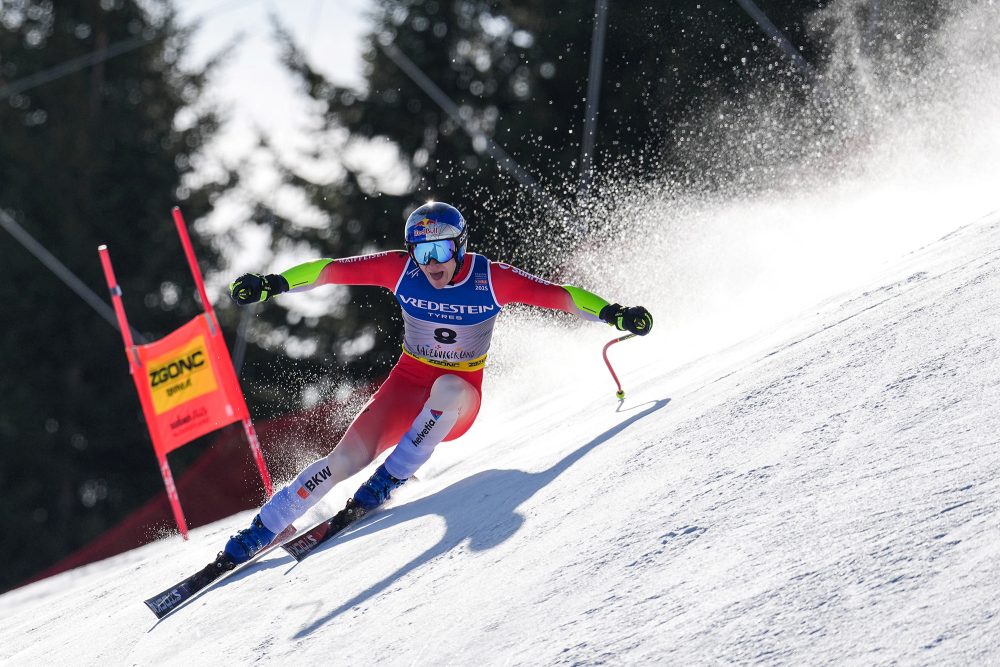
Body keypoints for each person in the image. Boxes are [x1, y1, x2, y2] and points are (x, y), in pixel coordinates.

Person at [221, 201, 653, 564]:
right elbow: (330, 272)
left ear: (460, 247)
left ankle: (391, 477)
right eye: (421, 254)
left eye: (441, 251)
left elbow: (562, 296)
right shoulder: (400, 270)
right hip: (406, 385)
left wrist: (615, 313)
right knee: (345, 458)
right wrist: (272, 284)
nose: (431, 264)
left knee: (447, 390)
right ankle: (266, 527)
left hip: (459, 400)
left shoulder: (491, 278)